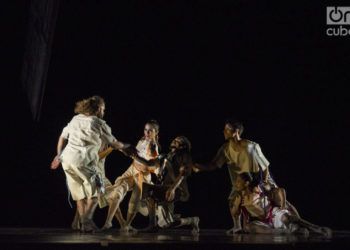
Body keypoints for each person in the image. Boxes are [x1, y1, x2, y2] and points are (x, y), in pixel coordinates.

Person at [193, 119, 298, 234]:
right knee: (233, 201)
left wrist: (264, 182)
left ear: (236, 132)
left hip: (258, 178)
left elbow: (265, 166)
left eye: (227, 129)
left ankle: (297, 221)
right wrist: (200, 167)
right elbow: (214, 164)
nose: (224, 131)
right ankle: (237, 226)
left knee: (280, 200)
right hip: (242, 181)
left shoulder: (251, 146)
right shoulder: (225, 149)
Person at [50, 95, 135, 232]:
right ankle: (86, 220)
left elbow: (62, 137)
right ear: (99, 109)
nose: (104, 112)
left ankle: (85, 225)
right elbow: (114, 143)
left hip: (67, 161)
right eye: (104, 110)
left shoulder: (75, 119)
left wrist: (58, 155)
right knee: (98, 190)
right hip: (82, 161)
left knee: (80, 195)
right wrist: (126, 145)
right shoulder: (98, 123)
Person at [101, 120, 161, 232]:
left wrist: (133, 156)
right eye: (145, 130)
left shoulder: (153, 146)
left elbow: (150, 164)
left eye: (150, 131)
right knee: (118, 191)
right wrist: (124, 149)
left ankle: (127, 225)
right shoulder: (143, 139)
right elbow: (135, 151)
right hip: (132, 170)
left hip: (142, 176)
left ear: (156, 132)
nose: (147, 132)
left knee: (133, 202)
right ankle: (108, 222)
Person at [231, 172, 332, 237]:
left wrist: (283, 204)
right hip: (264, 223)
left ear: (247, 183)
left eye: (238, 181)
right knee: (249, 227)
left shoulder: (260, 188)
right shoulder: (239, 198)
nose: (236, 184)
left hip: (273, 214)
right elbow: (237, 214)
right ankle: (287, 231)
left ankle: (316, 228)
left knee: (286, 218)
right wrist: (240, 227)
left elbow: (281, 191)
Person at [134, 136, 200, 234]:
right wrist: (134, 156)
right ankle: (155, 223)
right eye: (175, 139)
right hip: (165, 189)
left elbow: (182, 175)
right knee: (146, 195)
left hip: (178, 189)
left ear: (183, 146)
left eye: (178, 141)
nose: (174, 140)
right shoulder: (166, 156)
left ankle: (192, 220)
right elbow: (149, 163)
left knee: (165, 223)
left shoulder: (184, 156)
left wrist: (172, 188)